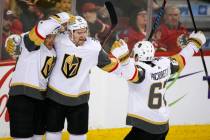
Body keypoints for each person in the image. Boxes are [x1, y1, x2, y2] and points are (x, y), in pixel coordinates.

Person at [44, 16, 129, 140]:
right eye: (79, 32)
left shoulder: (94, 48)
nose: (83, 35)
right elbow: (43, 35)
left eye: (85, 31)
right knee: (53, 132)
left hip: (79, 101)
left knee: (79, 135)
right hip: (54, 97)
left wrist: (125, 63)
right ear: (70, 32)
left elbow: (109, 65)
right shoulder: (58, 39)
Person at [110, 31, 206, 140]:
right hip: (163, 125)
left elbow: (130, 73)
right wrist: (193, 45)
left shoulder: (141, 71)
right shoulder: (164, 64)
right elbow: (180, 60)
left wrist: (124, 58)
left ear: (136, 56)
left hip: (146, 126)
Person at [6, 12, 71, 140]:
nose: (51, 40)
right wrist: (62, 17)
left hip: (41, 100)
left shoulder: (53, 50)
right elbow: (41, 30)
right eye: (48, 37)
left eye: (53, 37)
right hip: (22, 98)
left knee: (38, 137)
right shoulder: (31, 43)